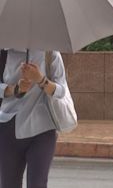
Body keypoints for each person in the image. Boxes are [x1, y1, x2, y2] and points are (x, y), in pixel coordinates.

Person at [0, 49, 69, 188]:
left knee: (37, 184)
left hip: (43, 129)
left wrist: (41, 80)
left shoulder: (51, 53)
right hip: (8, 127)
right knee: (8, 183)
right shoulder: (4, 52)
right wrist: (15, 89)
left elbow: (61, 90)